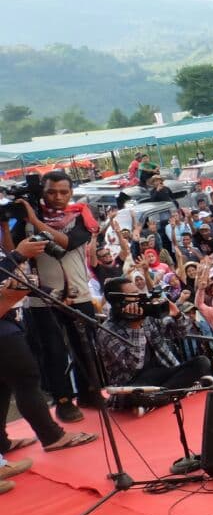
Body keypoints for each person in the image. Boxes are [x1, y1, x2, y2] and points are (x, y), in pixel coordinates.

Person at [2, 171, 101, 422]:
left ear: (71, 193)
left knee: (86, 348)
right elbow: (13, 253)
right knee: (53, 352)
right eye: (51, 192)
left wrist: (34, 220)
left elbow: (67, 243)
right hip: (42, 299)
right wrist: (5, 224)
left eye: (63, 192)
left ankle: (90, 392)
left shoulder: (80, 216)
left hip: (79, 294)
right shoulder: (25, 221)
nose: (57, 197)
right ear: (42, 193)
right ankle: (63, 401)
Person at [0, 237, 97, 454]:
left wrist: (50, 293)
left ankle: (1, 442)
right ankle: (52, 436)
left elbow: (11, 282)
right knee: (26, 379)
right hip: (3, 330)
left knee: (3, 386)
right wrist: (18, 255)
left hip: (11, 321)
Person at [98, 277, 213, 389]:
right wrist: (136, 327)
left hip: (164, 372)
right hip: (133, 384)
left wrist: (177, 315)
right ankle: (180, 389)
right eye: (134, 295)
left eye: (138, 293)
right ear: (118, 302)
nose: (140, 298)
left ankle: (165, 393)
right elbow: (134, 365)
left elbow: (182, 333)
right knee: (139, 388)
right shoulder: (107, 331)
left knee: (202, 362)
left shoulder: (147, 315)